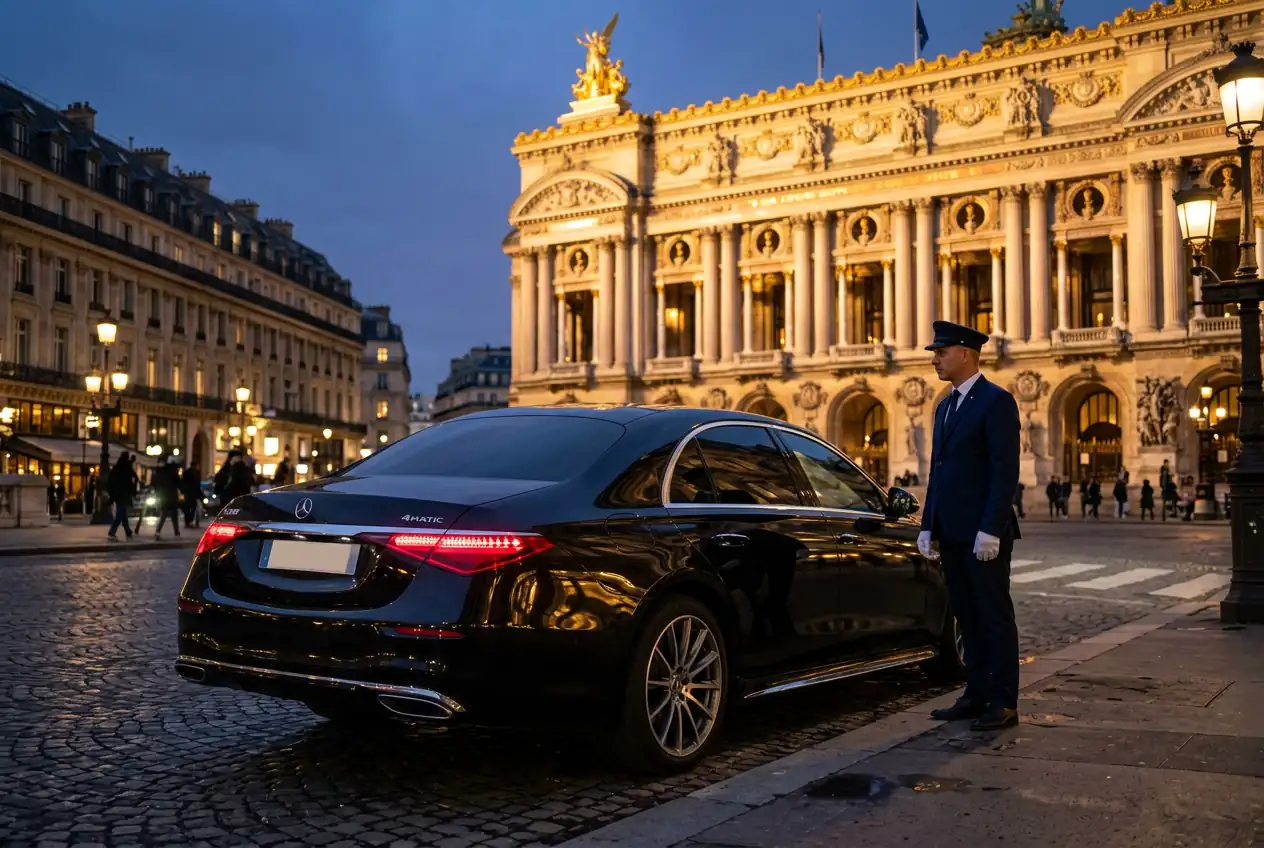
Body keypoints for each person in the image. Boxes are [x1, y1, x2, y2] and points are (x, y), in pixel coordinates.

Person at [917, 320, 1022, 732]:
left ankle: (1004, 701)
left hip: (983, 534)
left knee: (993, 616)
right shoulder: (945, 405)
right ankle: (975, 692)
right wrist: (929, 523)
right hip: (953, 530)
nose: (935, 359)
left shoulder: (996, 401)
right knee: (966, 615)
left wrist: (991, 529)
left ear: (965, 353)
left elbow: (1003, 470)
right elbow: (938, 471)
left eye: (940, 352)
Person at [106, 452, 138, 541]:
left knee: (123, 513)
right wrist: (133, 489)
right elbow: (135, 477)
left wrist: (111, 493)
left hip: (116, 494)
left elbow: (110, 481)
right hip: (124, 493)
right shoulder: (127, 467)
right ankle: (112, 532)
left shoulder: (116, 468)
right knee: (120, 514)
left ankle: (128, 531)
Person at [153, 456, 182, 539]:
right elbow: (178, 482)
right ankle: (176, 532)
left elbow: (156, 482)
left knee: (163, 514)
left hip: (164, 495)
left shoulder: (162, 471)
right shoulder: (173, 471)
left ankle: (158, 531)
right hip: (172, 495)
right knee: (174, 515)